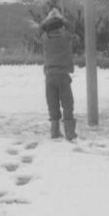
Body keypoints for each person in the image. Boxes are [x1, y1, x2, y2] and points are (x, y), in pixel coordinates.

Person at [39, 8, 77, 141]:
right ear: (61, 27)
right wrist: (61, 17)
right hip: (63, 75)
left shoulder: (45, 38)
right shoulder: (65, 37)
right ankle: (70, 132)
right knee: (67, 103)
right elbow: (71, 28)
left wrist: (48, 18)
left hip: (49, 76)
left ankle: (54, 131)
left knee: (52, 103)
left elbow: (41, 28)